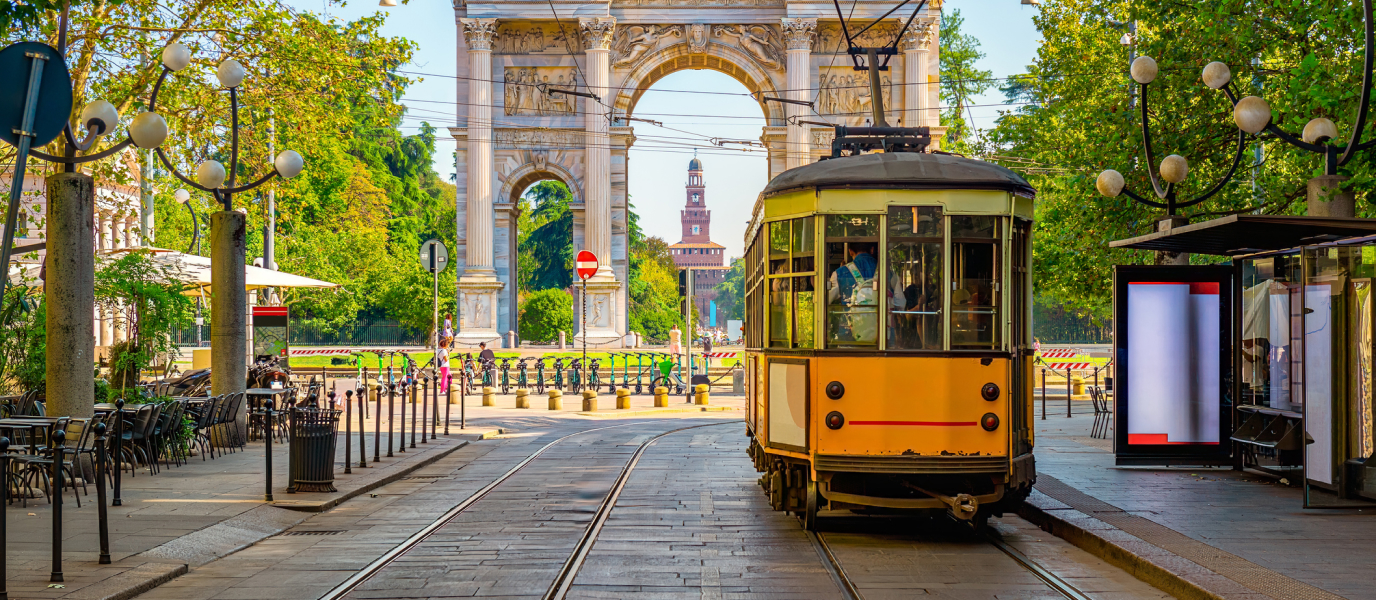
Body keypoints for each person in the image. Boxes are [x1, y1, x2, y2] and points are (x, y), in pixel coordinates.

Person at [827, 242, 879, 342]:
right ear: (872, 250)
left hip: (849, 337)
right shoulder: (888, 272)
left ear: (850, 252)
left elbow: (826, 300)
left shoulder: (839, 273)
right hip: (882, 338)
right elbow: (900, 302)